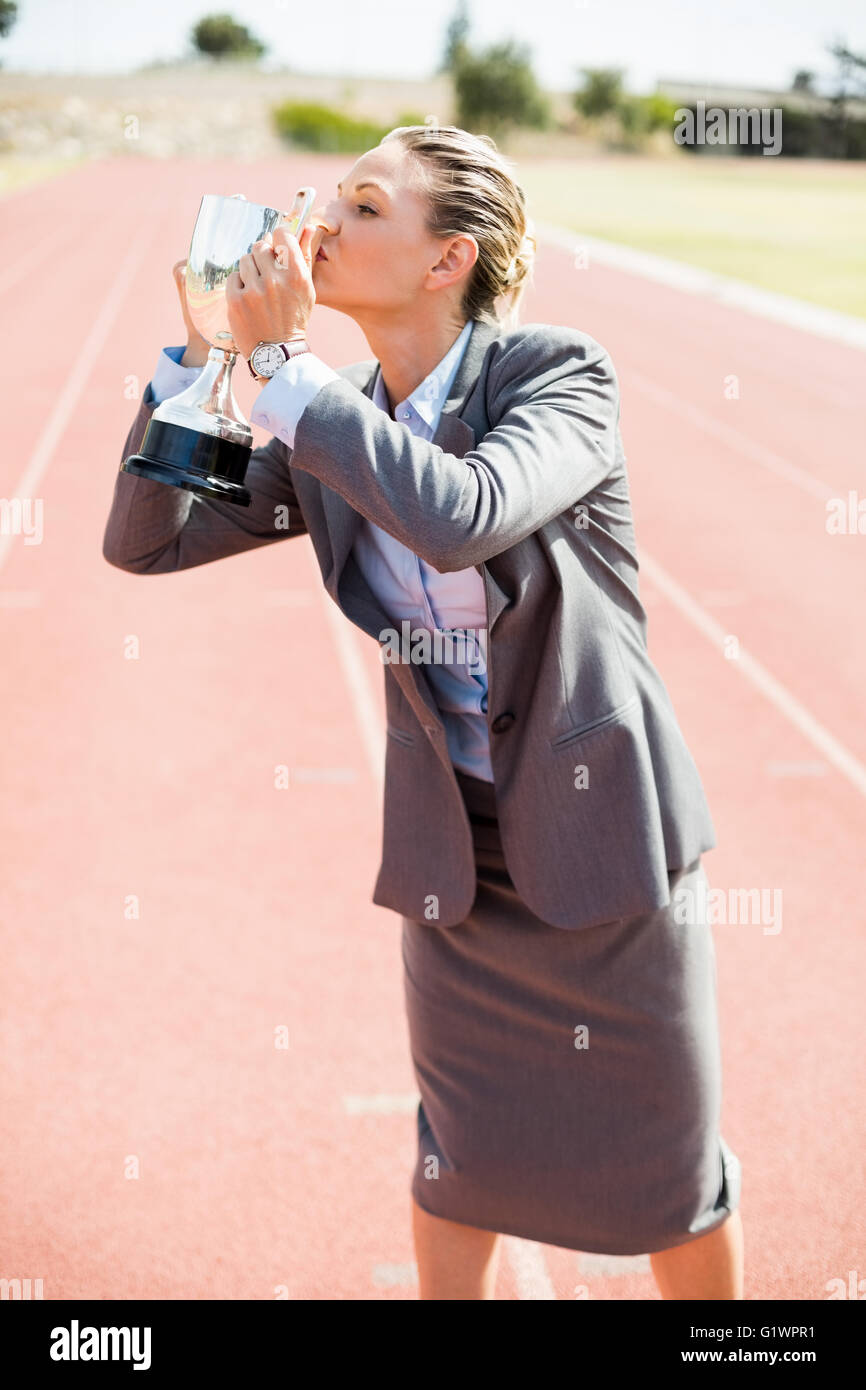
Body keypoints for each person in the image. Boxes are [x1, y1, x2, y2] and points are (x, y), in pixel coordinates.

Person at [103, 123, 743, 1300]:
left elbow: (464, 510)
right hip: (454, 863)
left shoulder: (558, 375)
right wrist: (204, 362)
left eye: (361, 205)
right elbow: (148, 545)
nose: (319, 222)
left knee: (666, 1170)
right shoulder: (328, 418)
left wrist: (282, 368)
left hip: (601, 845)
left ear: (447, 261)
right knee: (460, 1160)